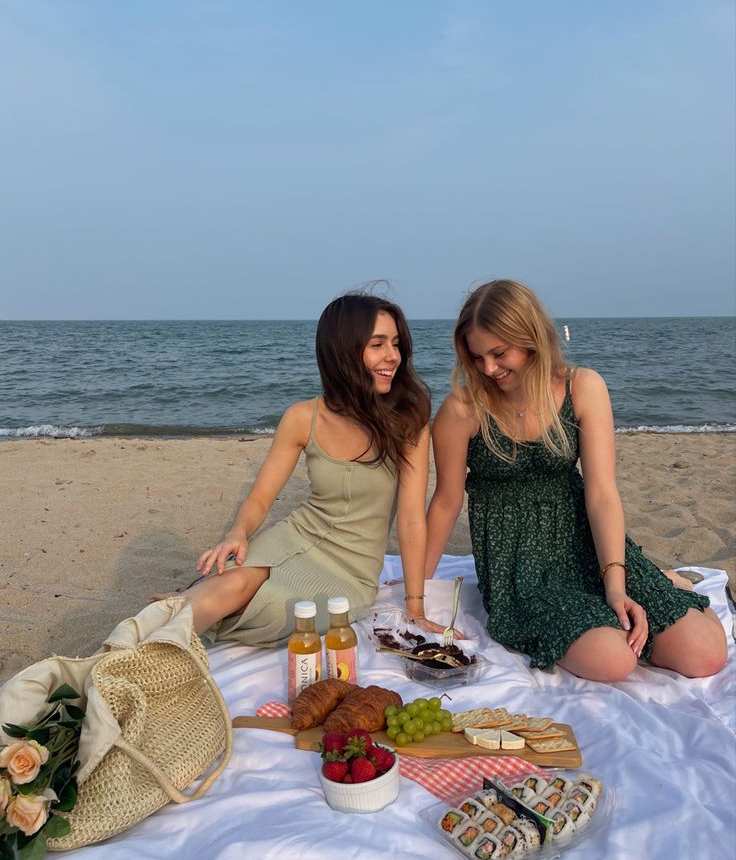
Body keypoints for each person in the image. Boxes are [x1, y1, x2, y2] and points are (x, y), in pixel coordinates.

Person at [425, 280, 727, 681]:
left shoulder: (582, 387)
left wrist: (616, 587)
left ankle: (660, 581)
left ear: (531, 338)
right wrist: (417, 591)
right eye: (477, 357)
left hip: (584, 540)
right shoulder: (463, 409)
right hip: (518, 563)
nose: (488, 369)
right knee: (615, 660)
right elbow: (446, 501)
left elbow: (602, 494)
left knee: (705, 655)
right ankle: (638, 595)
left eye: (499, 353)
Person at [175, 291, 443, 645]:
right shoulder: (303, 417)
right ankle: (120, 655)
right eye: (377, 344)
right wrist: (237, 533)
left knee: (272, 607)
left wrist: (415, 606)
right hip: (295, 535)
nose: (392, 356)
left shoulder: (409, 420)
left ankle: (178, 615)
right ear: (343, 351)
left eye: (395, 343)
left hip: (350, 571)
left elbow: (411, 519)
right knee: (234, 583)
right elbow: (259, 498)